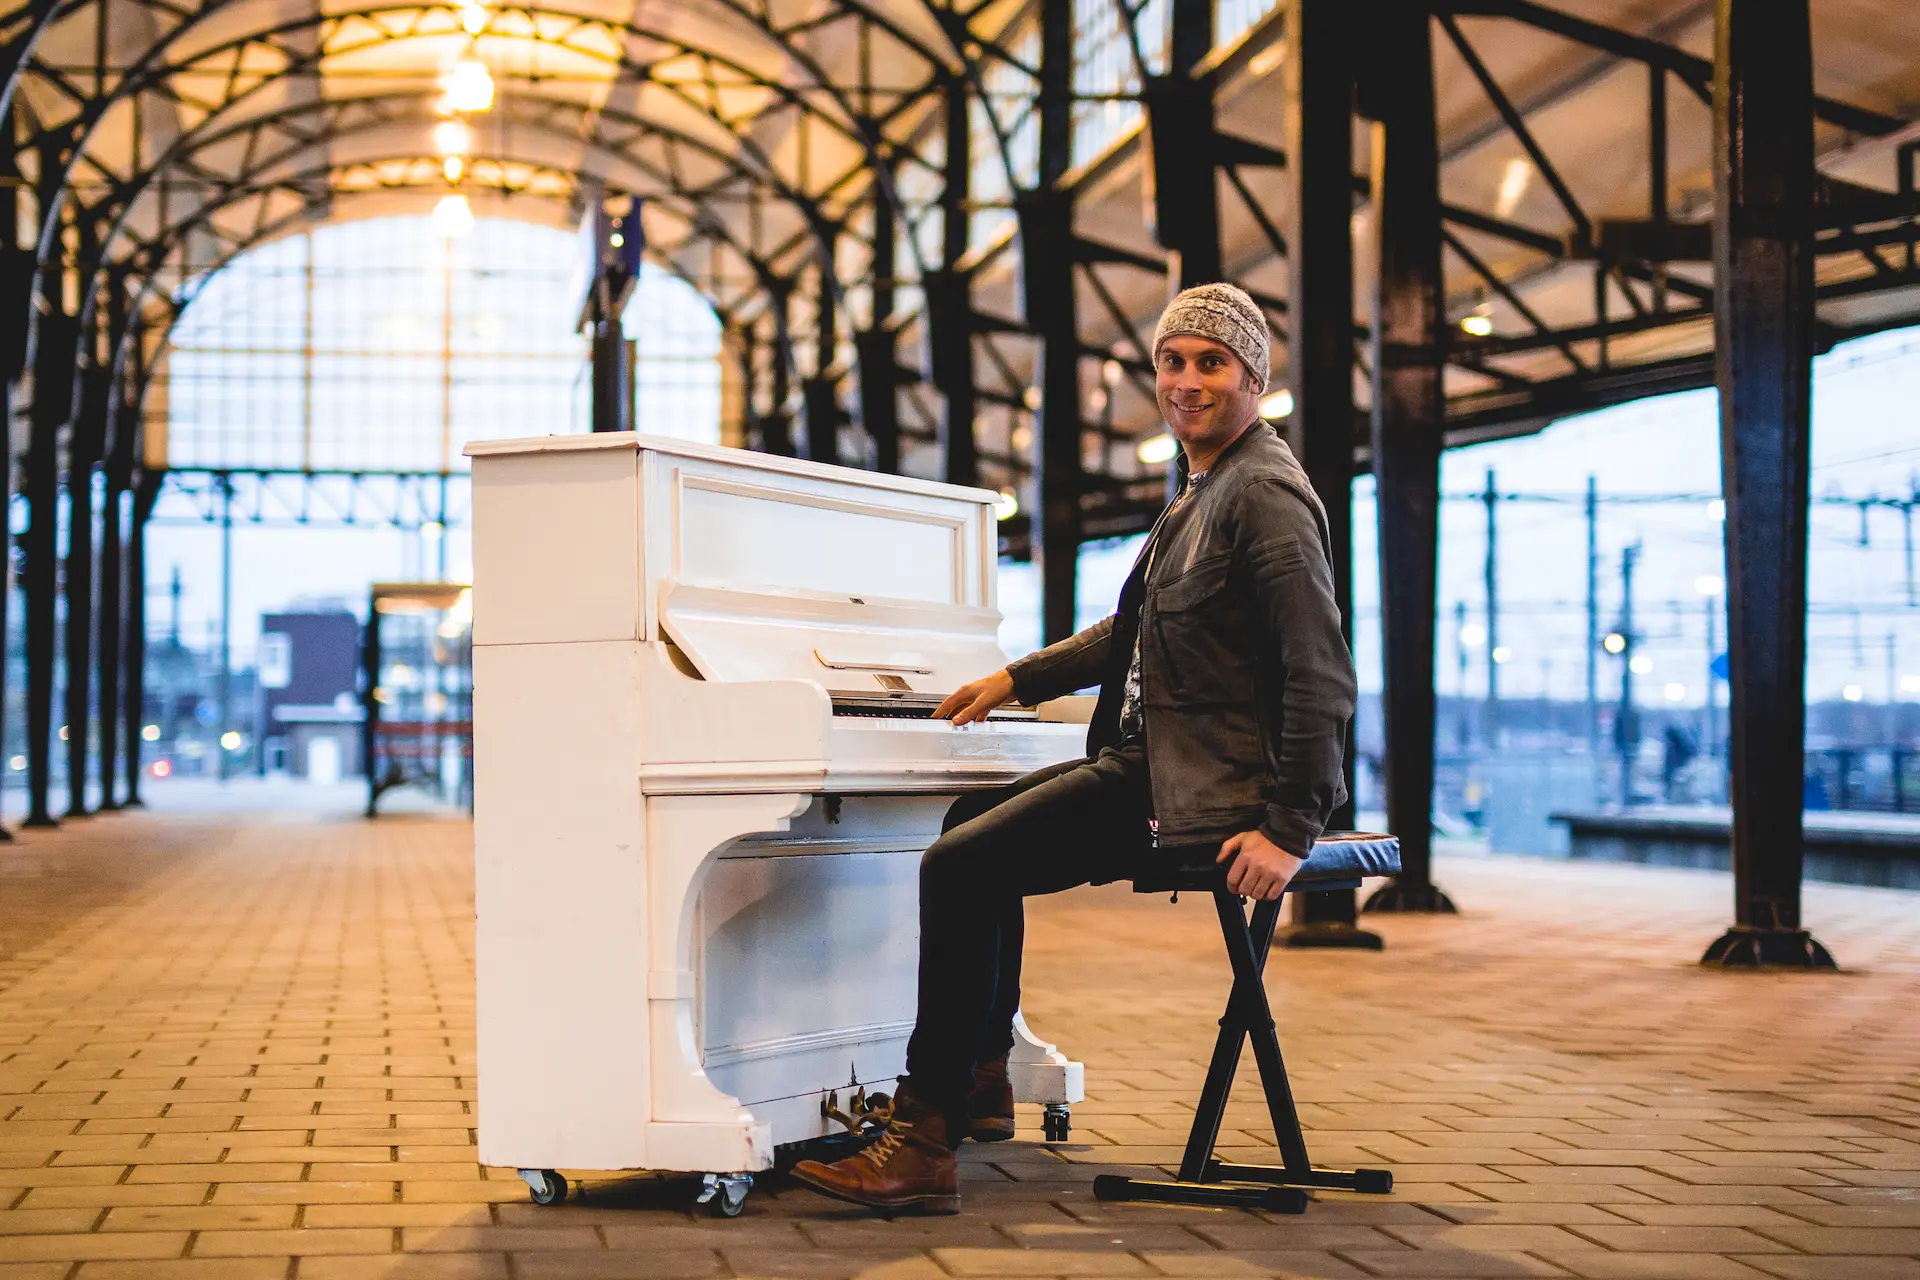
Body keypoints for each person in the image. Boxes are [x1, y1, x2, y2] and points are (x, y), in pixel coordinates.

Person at [790, 282, 1358, 1214]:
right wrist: (1015, 680)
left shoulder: (1263, 494)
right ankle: (979, 1075)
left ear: (1253, 376)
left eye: (1209, 363)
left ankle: (924, 1136)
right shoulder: (1206, 488)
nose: (1185, 381)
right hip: (1157, 764)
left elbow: (1321, 671)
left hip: (1196, 789)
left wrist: (1290, 827)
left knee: (958, 865)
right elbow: (1130, 628)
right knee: (974, 818)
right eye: (1172, 361)